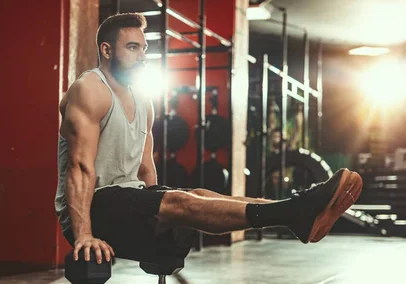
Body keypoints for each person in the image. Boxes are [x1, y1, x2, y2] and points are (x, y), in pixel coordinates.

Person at [55, 13, 363, 265]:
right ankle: (296, 212)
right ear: (107, 51)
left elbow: (146, 167)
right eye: (133, 48)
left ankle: (295, 210)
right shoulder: (90, 90)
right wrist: (83, 234)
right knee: (180, 201)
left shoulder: (142, 99)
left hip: (125, 201)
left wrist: (153, 210)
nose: (143, 56)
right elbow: (79, 168)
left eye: (145, 49)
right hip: (93, 207)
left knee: (199, 194)